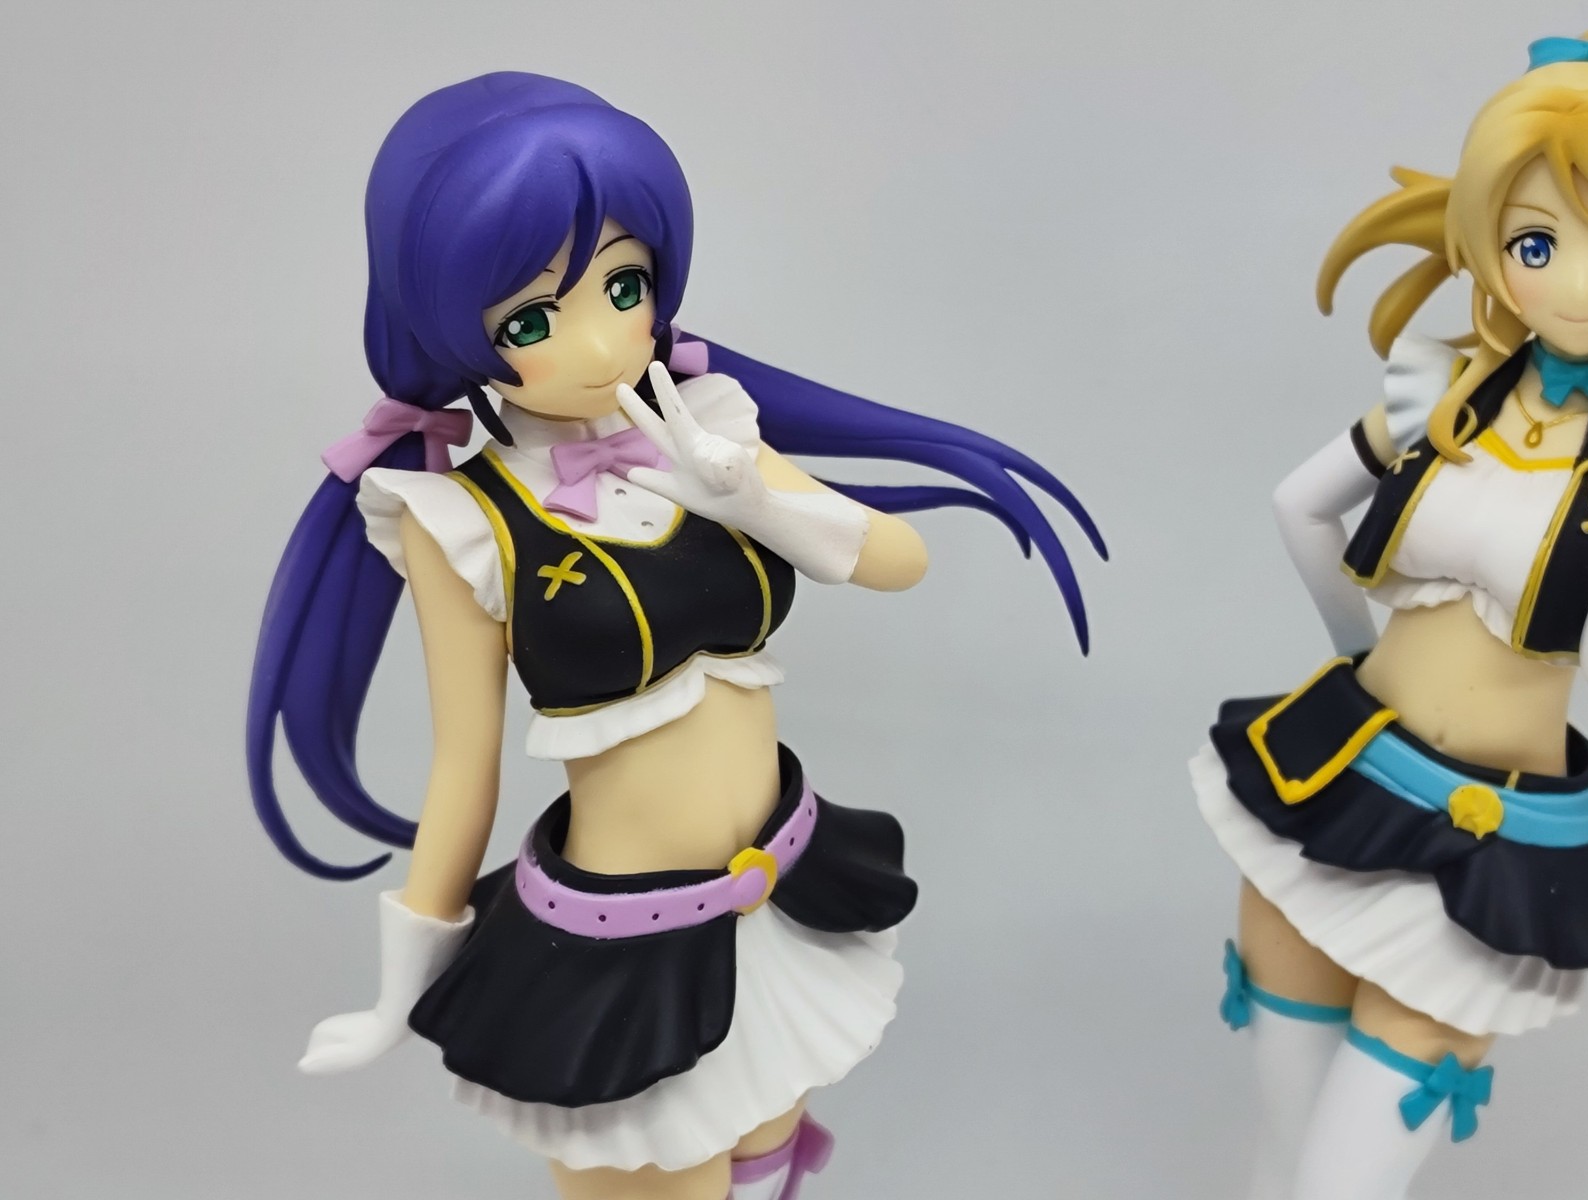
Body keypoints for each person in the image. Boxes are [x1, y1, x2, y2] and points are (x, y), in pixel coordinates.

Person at [245, 71, 1102, 1200]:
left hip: (781, 888)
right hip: (622, 949)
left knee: (769, 1163)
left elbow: (897, 559)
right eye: (532, 320)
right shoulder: (459, 520)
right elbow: (465, 765)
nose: (601, 341)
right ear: (461, 334)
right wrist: (401, 983)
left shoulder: (712, 431)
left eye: (625, 285)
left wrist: (747, 494)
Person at [1190, 33, 1588, 1200]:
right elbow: (1299, 505)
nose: (1581, 284)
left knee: (1337, 1187)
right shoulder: (1441, 392)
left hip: (1490, 849)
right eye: (1537, 243)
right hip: (1335, 786)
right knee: (1277, 1164)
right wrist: (1360, 660)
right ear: (1492, 246)